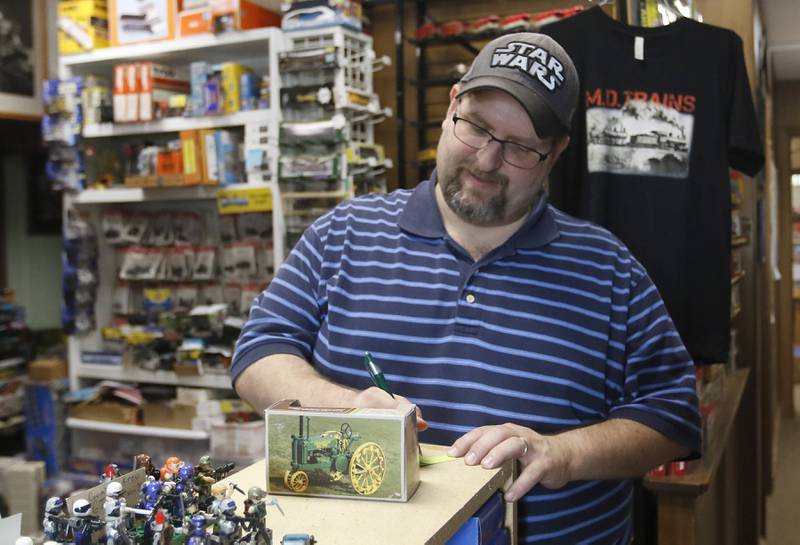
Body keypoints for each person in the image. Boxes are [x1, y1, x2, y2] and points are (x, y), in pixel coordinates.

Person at [232, 32, 701, 543]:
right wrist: (343, 410)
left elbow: (673, 416)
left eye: (520, 147)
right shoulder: (342, 233)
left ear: (557, 152)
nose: (486, 160)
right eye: (475, 127)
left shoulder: (608, 268)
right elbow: (258, 353)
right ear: (451, 104)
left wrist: (562, 454)